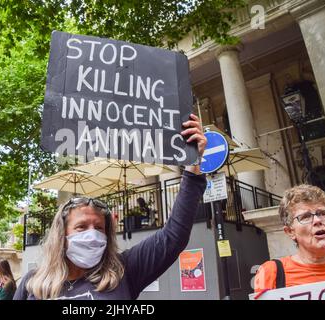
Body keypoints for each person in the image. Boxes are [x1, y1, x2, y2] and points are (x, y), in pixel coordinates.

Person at [13, 114, 207, 300]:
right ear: (61, 235)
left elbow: (173, 236)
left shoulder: (123, 271)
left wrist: (193, 164)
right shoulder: (32, 283)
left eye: (99, 227)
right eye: (81, 227)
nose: (92, 234)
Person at [254, 184, 325, 295]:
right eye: (306, 216)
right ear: (290, 232)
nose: (317, 220)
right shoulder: (271, 272)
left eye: (323, 213)